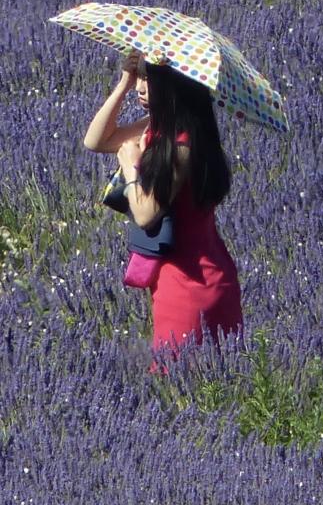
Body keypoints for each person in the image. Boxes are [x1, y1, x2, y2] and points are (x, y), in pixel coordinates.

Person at [83, 51, 243, 367]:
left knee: (180, 383)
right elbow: (96, 140)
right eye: (141, 77)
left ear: (174, 85)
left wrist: (130, 167)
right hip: (180, 276)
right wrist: (124, 83)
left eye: (149, 79)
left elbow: (145, 214)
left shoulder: (182, 144)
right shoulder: (158, 127)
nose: (142, 88)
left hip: (191, 283)